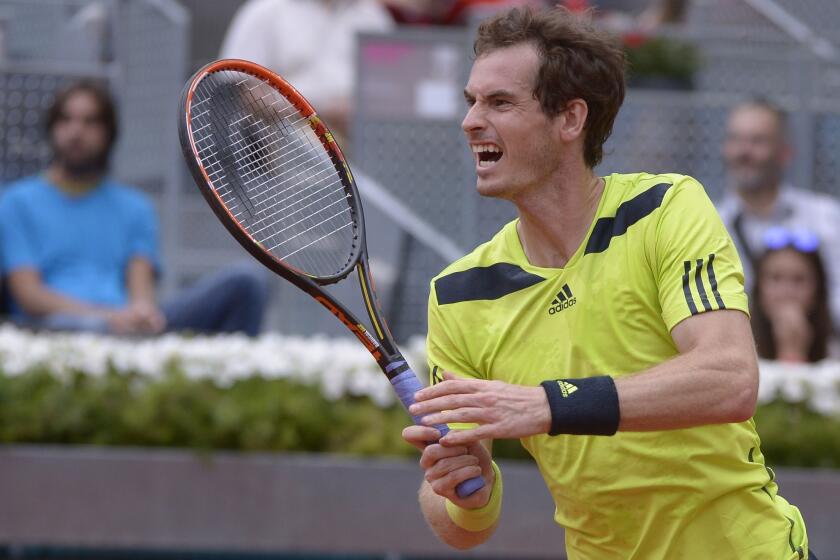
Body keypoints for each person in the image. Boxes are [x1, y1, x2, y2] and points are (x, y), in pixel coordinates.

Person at [401, 6, 812, 559]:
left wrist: (549, 404)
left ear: (570, 119)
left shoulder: (664, 209)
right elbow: (461, 527)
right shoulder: (458, 293)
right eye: (471, 101)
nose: (471, 120)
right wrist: (465, 494)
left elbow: (729, 377)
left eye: (499, 102)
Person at [0, 80, 268, 337]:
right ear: (52, 128)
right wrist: (106, 318)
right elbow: (29, 296)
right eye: (66, 120)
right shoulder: (16, 202)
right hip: (53, 330)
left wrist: (140, 316)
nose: (76, 131)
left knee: (247, 281)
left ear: (109, 133)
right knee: (77, 326)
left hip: (124, 332)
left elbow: (141, 295)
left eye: (89, 121)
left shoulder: (135, 208)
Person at [717, 98, 840, 328]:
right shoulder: (709, 223)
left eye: (758, 141)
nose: (744, 151)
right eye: (735, 139)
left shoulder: (826, 218)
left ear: (785, 152)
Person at [219, 0, 394, 143]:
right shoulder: (265, 11)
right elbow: (246, 93)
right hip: (284, 149)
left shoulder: (373, 16)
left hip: (364, 146)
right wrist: (320, 112)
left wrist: (361, 112)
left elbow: (393, 88)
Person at [751, 227, 835, 363]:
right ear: (758, 287)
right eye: (776, 278)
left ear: (818, 290)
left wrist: (794, 350)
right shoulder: (737, 346)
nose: (786, 291)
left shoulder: (834, 352)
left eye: (799, 279)